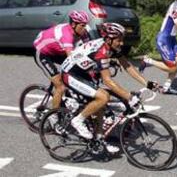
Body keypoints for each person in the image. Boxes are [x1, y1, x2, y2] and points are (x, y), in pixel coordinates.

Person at [61, 23, 157, 153]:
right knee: (103, 97)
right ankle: (78, 120)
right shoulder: (102, 51)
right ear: (108, 39)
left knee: (100, 105)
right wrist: (129, 97)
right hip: (70, 74)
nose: (122, 43)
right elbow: (107, 80)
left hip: (85, 73)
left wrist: (146, 83)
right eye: (119, 40)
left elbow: (127, 66)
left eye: (122, 39)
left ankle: (99, 139)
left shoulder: (111, 46)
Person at [33, 10, 91, 116]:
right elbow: (71, 58)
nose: (85, 28)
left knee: (80, 74)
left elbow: (89, 50)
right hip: (43, 53)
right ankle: (53, 117)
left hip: (57, 51)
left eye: (86, 25)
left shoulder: (82, 32)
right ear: (73, 24)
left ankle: (69, 99)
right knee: (60, 87)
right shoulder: (66, 35)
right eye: (83, 25)